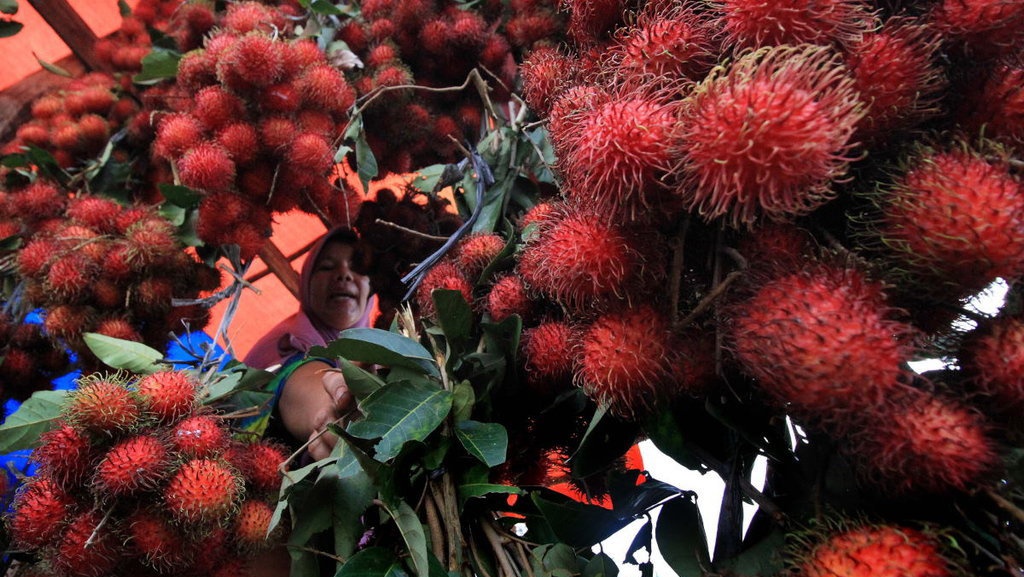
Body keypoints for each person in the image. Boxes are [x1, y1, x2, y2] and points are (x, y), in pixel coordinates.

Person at [243, 226, 376, 461]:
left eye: (356, 267)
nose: (344, 274)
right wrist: (335, 406)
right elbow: (302, 385)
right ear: (306, 284)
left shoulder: (385, 352)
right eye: (326, 267)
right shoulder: (285, 347)